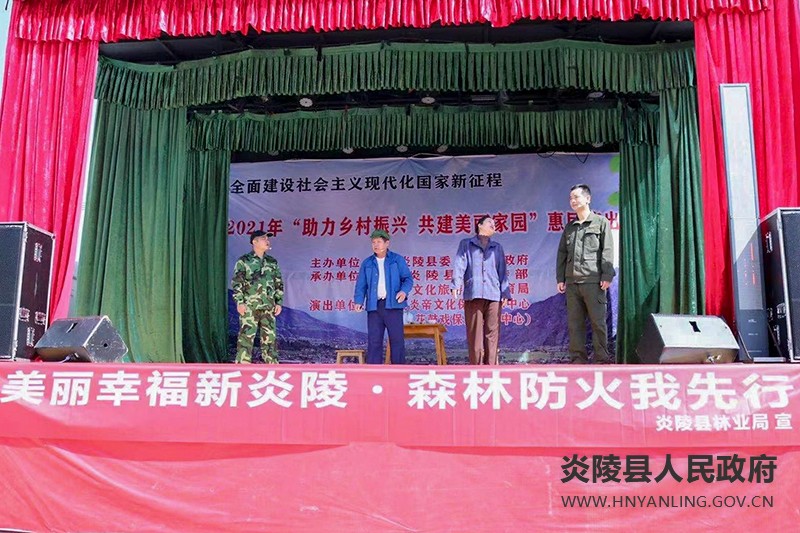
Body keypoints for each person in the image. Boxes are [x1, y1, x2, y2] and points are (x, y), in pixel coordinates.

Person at [556, 184, 615, 364]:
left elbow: (607, 250)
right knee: (575, 324)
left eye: (576, 197)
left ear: (588, 199)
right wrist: (560, 278)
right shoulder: (570, 227)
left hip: (593, 281)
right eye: (571, 198)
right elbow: (562, 253)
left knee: (598, 322)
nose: (573, 201)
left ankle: (601, 358)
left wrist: (607, 276)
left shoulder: (600, 222)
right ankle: (577, 359)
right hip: (572, 283)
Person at [451, 216, 510, 365]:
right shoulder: (466, 244)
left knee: (492, 333)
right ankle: (476, 369)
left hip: (494, 294)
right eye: (490, 222)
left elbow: (502, 271)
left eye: (494, 224)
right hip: (474, 292)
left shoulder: (497, 247)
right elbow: (460, 264)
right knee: (475, 335)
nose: (493, 225)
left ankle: (491, 368)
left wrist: (505, 292)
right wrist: (456, 284)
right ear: (479, 225)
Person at [353, 229, 413, 364]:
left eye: (379, 242)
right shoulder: (367, 263)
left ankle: (399, 370)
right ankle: (374, 372)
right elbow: (361, 284)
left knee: (397, 340)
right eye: (373, 242)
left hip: (393, 305)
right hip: (374, 306)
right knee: (374, 341)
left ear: (387, 243)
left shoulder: (397, 260)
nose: (376, 245)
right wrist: (358, 301)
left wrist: (403, 292)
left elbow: (408, 279)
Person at [231, 230, 284, 364]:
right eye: (263, 238)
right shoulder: (244, 261)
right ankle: (242, 366)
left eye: (267, 238)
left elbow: (278, 283)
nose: (267, 241)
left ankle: (272, 366)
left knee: (270, 339)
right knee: (246, 338)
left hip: (268, 306)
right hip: (249, 306)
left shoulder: (272, 262)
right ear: (254, 242)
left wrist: (278, 302)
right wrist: (240, 302)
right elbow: (237, 283)